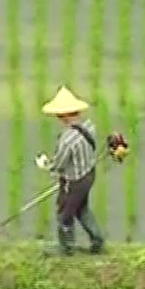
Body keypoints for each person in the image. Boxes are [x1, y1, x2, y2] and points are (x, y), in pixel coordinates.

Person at [34, 86, 106, 256]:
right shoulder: (89, 126)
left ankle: (66, 248)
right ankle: (98, 241)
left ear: (63, 115)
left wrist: (45, 164)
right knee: (82, 209)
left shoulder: (67, 140)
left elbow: (59, 165)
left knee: (64, 215)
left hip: (73, 182)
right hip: (89, 175)